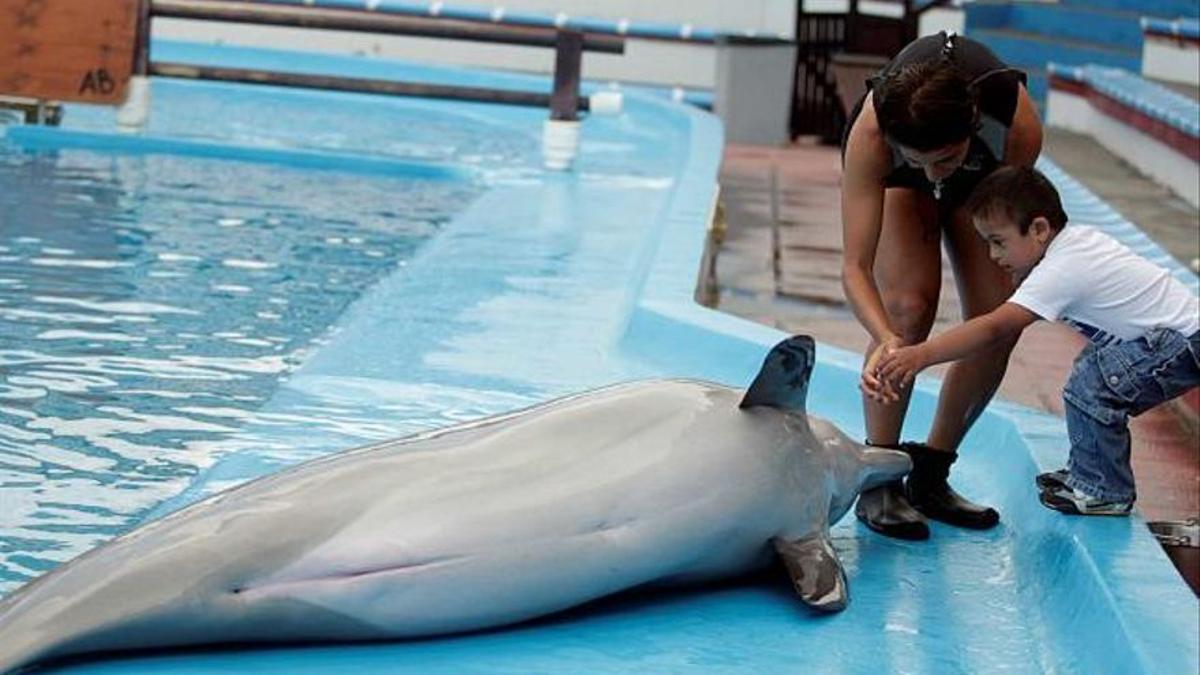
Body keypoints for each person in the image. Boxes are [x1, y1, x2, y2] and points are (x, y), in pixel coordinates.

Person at [872, 166, 1200, 515]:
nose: (993, 256)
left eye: (999, 242)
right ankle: (1090, 472)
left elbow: (995, 328)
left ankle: (1104, 489)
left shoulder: (1061, 268)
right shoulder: (1074, 245)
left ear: (1039, 230)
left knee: (1093, 387)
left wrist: (921, 355)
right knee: (1091, 369)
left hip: (1179, 344)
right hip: (1174, 339)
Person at [840, 31, 1042, 539]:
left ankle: (931, 472)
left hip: (984, 181)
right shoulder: (870, 138)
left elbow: (1008, 229)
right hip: (899, 188)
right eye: (921, 160)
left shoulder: (1013, 123)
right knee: (907, 308)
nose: (934, 175)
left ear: (973, 129)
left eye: (944, 160)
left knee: (998, 320)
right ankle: (881, 477)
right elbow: (854, 267)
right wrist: (886, 337)